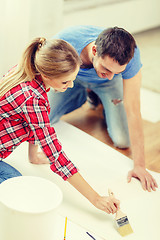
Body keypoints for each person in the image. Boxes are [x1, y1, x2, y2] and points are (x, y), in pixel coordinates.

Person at [0, 37, 120, 214]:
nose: (70, 86)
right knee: (18, 190)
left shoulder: (26, 71)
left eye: (72, 79)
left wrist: (33, 156)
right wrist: (96, 198)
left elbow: (33, 124)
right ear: (47, 75)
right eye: (65, 82)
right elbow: (56, 154)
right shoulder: (32, 99)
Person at [45, 25, 158, 192]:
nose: (111, 74)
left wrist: (140, 166)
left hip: (108, 87)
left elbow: (133, 109)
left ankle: (100, 98)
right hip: (71, 80)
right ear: (95, 50)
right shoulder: (65, 43)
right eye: (106, 68)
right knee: (43, 118)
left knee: (122, 140)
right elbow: (40, 76)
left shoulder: (130, 58)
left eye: (117, 72)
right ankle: (85, 95)